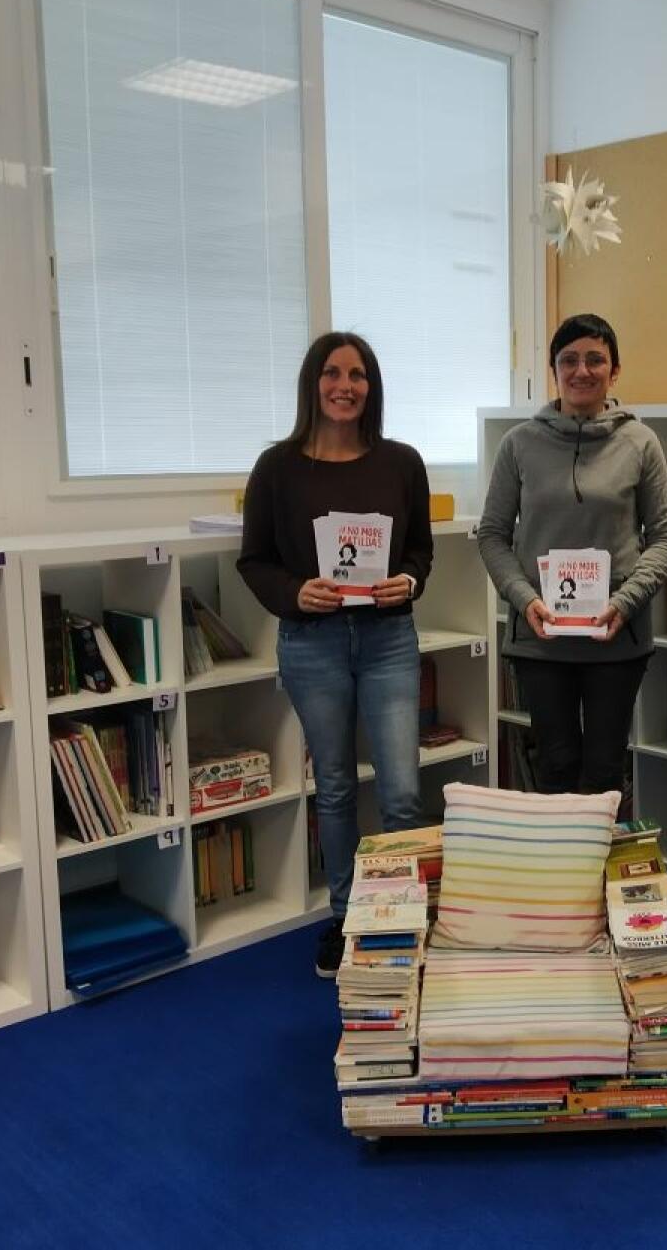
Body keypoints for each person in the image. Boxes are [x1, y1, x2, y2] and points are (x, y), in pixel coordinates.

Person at [238, 331, 433, 978]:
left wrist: (409, 581)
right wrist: (296, 591)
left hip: (388, 641)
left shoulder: (402, 462)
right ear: (312, 383)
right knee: (338, 788)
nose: (345, 385)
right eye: (332, 373)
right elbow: (254, 559)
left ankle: (401, 914)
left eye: (358, 374)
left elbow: (420, 553)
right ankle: (346, 918)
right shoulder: (277, 467)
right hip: (313, 643)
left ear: (371, 386)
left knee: (403, 791)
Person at [478, 313, 667, 801]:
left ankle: (597, 877)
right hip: (541, 638)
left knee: (606, 769)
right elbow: (492, 534)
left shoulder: (641, 442)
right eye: (568, 360)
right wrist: (525, 600)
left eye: (595, 359)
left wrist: (626, 601)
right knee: (556, 763)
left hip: (617, 635)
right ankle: (562, 877)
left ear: (615, 371)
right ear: (554, 370)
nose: (581, 370)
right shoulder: (518, 444)